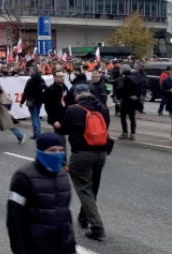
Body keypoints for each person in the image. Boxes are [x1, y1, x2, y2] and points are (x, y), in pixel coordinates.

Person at [6, 132, 76, 254]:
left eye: (60, 150)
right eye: (52, 150)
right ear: (40, 152)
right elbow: (14, 219)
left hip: (62, 246)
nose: (57, 154)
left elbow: (65, 213)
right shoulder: (23, 177)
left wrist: (71, 244)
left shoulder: (62, 175)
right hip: (35, 247)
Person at [60, 84, 110, 241]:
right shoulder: (103, 108)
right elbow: (105, 128)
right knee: (92, 187)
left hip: (81, 154)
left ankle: (97, 227)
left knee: (84, 189)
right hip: (101, 152)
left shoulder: (73, 109)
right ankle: (84, 217)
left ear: (77, 95)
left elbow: (64, 130)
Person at [19, 66, 47, 139]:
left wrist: (22, 101)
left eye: (30, 71)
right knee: (37, 116)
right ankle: (38, 132)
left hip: (32, 100)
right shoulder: (41, 80)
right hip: (39, 100)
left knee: (34, 117)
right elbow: (45, 89)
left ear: (33, 71)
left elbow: (26, 92)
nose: (29, 72)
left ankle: (36, 133)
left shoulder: (30, 81)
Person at [115, 64, 139, 141]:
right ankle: (133, 134)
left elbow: (120, 88)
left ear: (123, 70)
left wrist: (118, 96)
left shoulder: (123, 77)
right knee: (132, 117)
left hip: (125, 99)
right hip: (134, 100)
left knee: (123, 117)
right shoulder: (135, 76)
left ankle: (125, 133)